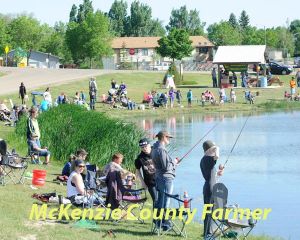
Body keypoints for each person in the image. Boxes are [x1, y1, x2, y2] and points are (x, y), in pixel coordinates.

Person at [151, 130, 179, 230]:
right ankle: (164, 223)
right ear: (163, 138)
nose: (169, 139)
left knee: (161, 200)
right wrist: (174, 162)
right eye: (168, 138)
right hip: (165, 178)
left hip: (159, 177)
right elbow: (166, 167)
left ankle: (158, 221)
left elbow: (158, 164)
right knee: (165, 201)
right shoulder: (161, 150)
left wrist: (172, 163)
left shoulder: (154, 148)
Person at [200, 140, 223, 237]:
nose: (215, 150)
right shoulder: (207, 159)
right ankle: (207, 234)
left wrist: (218, 173)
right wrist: (217, 148)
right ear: (209, 150)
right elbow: (217, 156)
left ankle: (208, 233)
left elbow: (210, 175)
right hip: (209, 189)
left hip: (209, 187)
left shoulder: (206, 159)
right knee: (208, 212)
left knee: (210, 211)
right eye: (213, 149)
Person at [135, 138, 156, 205]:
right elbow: (138, 170)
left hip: (160, 180)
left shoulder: (156, 151)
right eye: (142, 147)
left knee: (162, 200)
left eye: (146, 146)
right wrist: (142, 182)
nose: (144, 148)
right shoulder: (140, 158)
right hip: (150, 182)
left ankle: (163, 214)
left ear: (149, 145)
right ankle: (157, 215)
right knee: (155, 200)